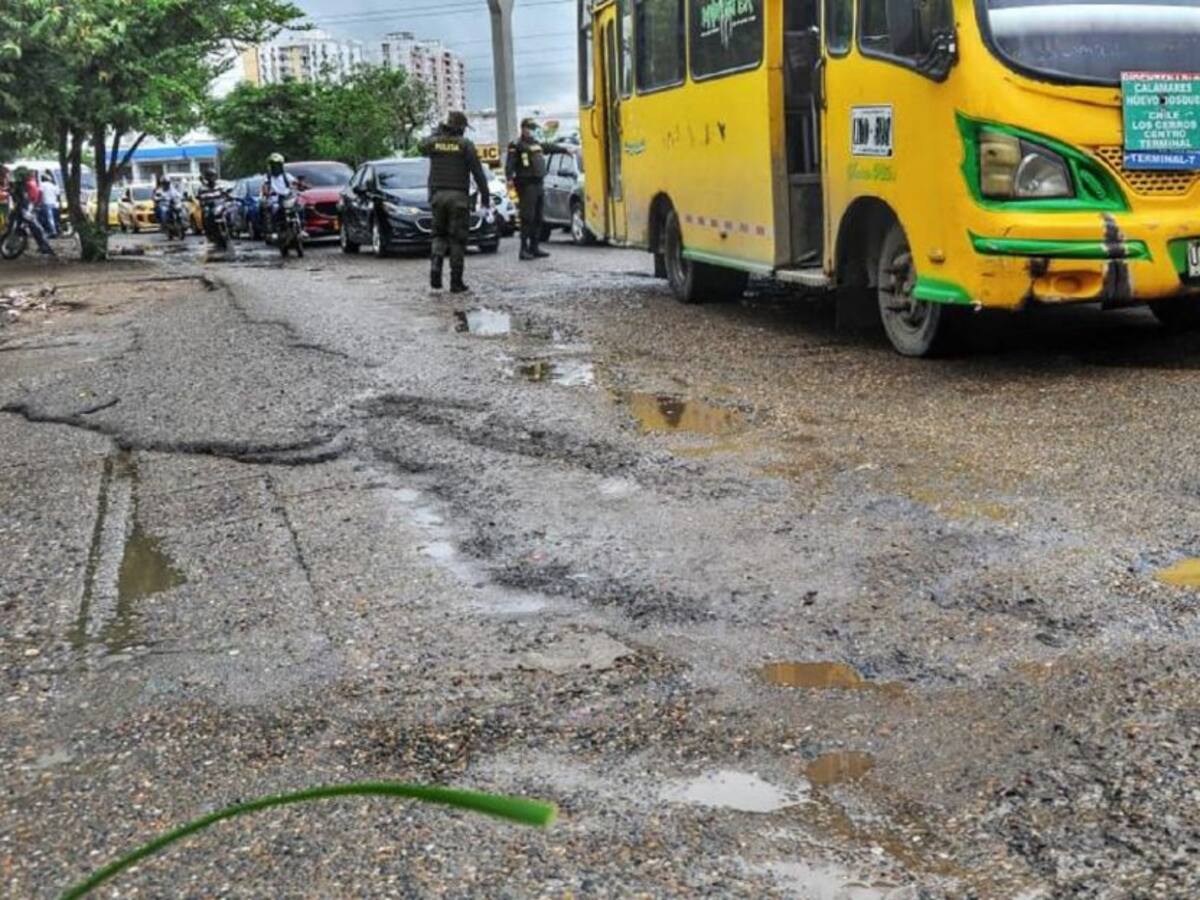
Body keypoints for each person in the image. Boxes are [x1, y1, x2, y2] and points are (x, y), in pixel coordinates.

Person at [418, 111, 490, 293]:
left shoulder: (434, 142)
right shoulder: (465, 145)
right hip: (458, 198)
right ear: (460, 128)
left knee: (438, 236)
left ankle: (435, 269)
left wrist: (437, 132)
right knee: (457, 240)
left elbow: (421, 146)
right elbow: (478, 174)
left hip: (438, 196)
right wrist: (485, 199)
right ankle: (456, 282)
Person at [505, 118, 569, 260]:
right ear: (523, 128)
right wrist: (509, 179)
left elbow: (549, 147)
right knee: (527, 218)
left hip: (538, 184)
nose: (532, 131)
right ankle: (523, 249)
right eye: (530, 128)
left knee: (538, 217)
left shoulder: (536, 143)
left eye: (533, 128)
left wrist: (564, 150)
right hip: (526, 185)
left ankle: (534, 247)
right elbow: (510, 165)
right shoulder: (516, 145)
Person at [7, 166, 54, 255]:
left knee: (33, 229)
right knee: (34, 229)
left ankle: (43, 248)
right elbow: (25, 198)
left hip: (25, 209)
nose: (30, 176)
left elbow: (32, 197)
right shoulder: (23, 185)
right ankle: (43, 248)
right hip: (23, 210)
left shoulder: (25, 185)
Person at [39, 172, 60, 238]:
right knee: (53, 218)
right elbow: (58, 195)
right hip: (53, 203)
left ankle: (53, 232)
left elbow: (40, 193)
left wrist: (39, 202)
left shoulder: (42, 185)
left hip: (46, 203)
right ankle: (55, 230)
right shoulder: (53, 185)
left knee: (48, 218)